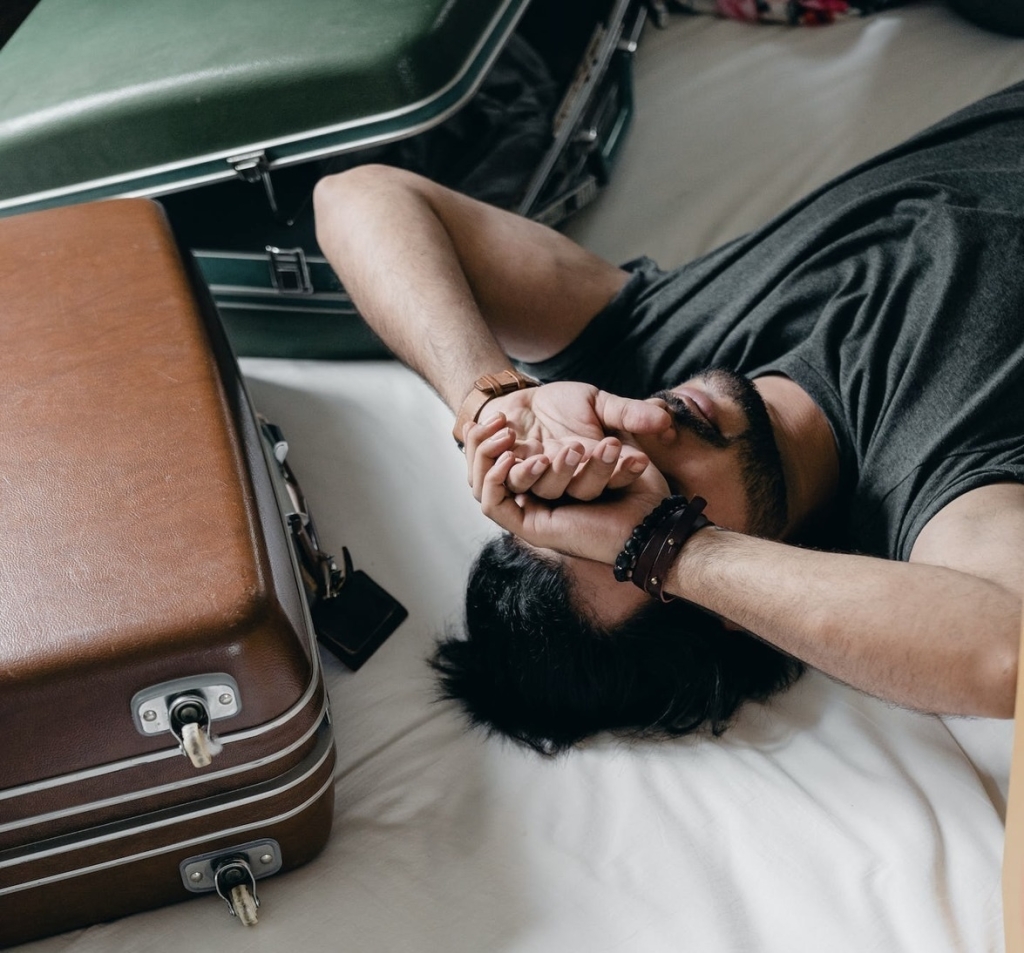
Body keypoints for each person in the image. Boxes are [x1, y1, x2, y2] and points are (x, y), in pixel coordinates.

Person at [312, 81, 1024, 753]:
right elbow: (1008, 647)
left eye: (586, 482)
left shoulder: (655, 346)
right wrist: (671, 548)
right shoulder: (933, 478)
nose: (636, 440)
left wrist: (490, 401)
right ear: (732, 606)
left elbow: (358, 195)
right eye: (640, 503)